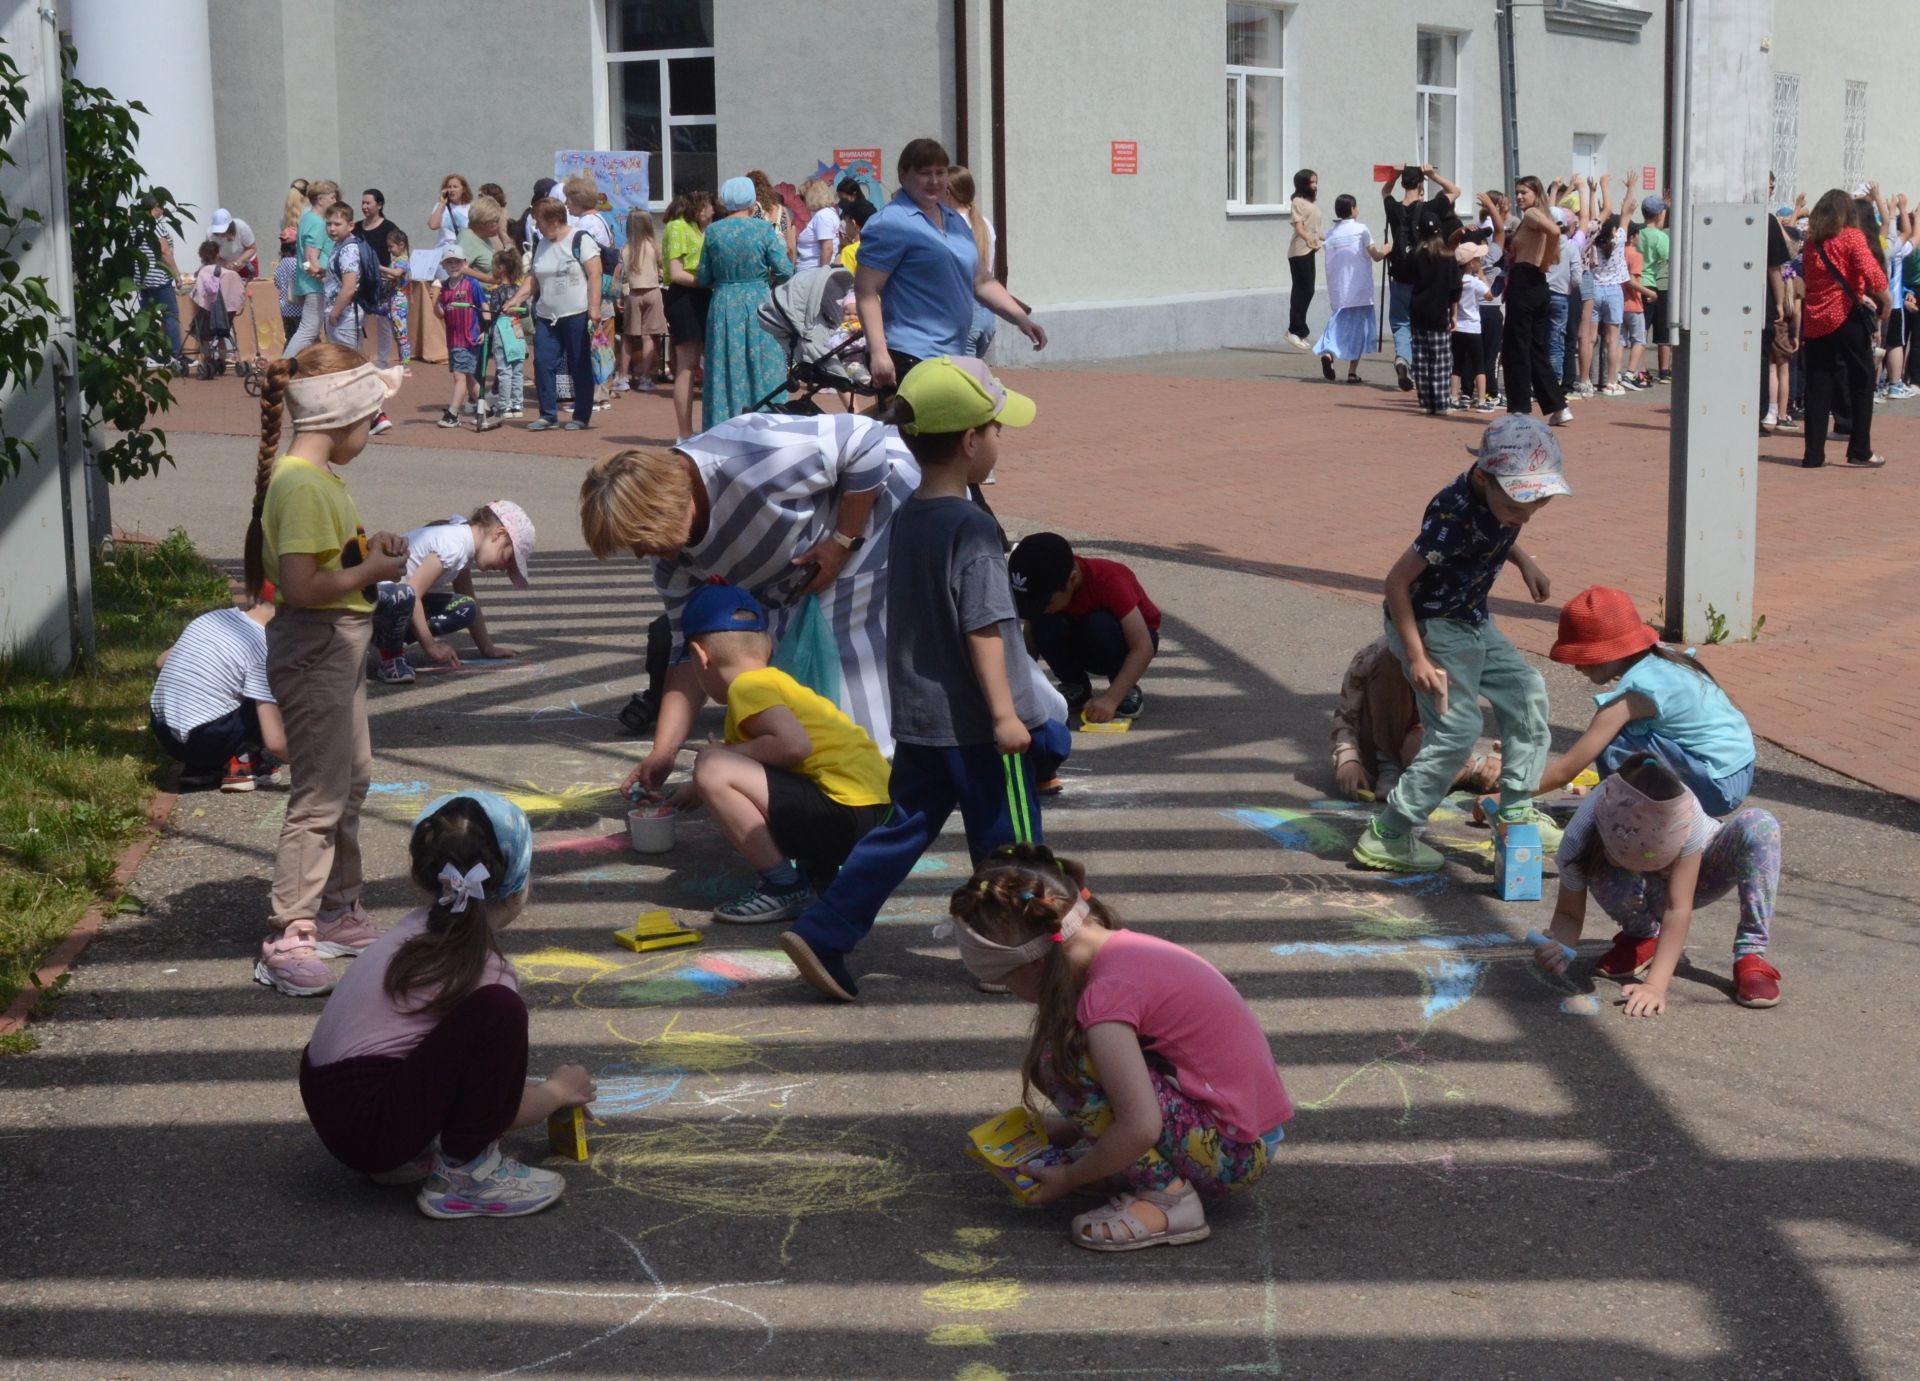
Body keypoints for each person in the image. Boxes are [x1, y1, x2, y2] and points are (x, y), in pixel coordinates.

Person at [778, 358, 1050, 1004]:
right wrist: (1006, 713)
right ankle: (1015, 955)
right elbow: (983, 625)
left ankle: (825, 928)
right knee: (1011, 840)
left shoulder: (911, 518)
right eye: (994, 428)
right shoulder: (973, 527)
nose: (998, 440)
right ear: (968, 442)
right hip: (978, 722)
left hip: (921, 717)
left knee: (902, 830)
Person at [947, 844, 1291, 1252]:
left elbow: (1141, 1125)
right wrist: (1076, 1130)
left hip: (1234, 1156)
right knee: (1080, 1056)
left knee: (1062, 1061)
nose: (1013, 994)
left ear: (1035, 964)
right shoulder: (1127, 950)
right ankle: (1130, 1166)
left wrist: (1072, 1178)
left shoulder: (1105, 999)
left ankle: (1169, 1201)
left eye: (1007, 982)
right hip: (1245, 1135)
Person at [299, 790, 599, 1217]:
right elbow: (498, 1109)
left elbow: (452, 1069)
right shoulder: (485, 972)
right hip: (369, 1126)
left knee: (475, 1022)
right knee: (500, 1011)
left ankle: (411, 1152)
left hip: (336, 1106)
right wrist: (555, 1092)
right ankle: (466, 1175)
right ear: (518, 890)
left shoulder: (415, 931)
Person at [579, 410, 919, 763]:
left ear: (661, 506)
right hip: (803, 574)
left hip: (881, 521)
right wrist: (663, 753)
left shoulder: (746, 459)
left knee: (843, 683)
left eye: (640, 541)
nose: (640, 554)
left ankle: (881, 780)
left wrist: (843, 540)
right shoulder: (671, 558)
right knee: (797, 696)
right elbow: (689, 648)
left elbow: (863, 438)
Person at [243, 344, 408, 997]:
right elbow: (303, 585)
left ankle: (338, 910)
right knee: (319, 794)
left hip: (337, 645)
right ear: (341, 418)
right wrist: (371, 571)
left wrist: (371, 551)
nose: (372, 432)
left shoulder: (312, 481)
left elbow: (326, 562)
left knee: (351, 778)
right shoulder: (303, 484)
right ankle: (291, 933)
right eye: (372, 419)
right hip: (316, 645)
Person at [1353, 414, 1568, 874]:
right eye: (1516, 509)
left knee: (1527, 692)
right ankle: (1389, 832)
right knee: (1457, 729)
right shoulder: (1451, 514)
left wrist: (1523, 558)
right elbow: (1395, 584)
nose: (1521, 517)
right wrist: (1416, 657)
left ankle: (1514, 808)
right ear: (1483, 476)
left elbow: (1493, 533)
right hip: (1430, 624)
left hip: (1470, 618)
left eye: (1532, 511)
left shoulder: (1498, 500)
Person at [674, 583, 893, 922]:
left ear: (701, 656)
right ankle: (820, 872)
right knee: (726, 763)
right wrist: (697, 789)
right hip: (876, 813)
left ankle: (783, 885)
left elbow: (793, 746)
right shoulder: (778, 682)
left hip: (846, 814)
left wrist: (718, 759)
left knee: (712, 763)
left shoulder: (748, 687)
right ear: (770, 646)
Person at [1531, 758, 1784, 1014]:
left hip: (1696, 875)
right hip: (1639, 886)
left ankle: (1751, 954)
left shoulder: (1685, 818)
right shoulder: (1579, 837)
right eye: (1625, 862)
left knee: (1760, 824)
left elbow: (1677, 907)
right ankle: (1644, 934)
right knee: (1595, 864)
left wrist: (1655, 986)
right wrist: (1560, 949)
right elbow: (1568, 914)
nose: (1636, 871)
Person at [1533, 587, 1756, 815]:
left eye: (1581, 656)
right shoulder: (1662, 657)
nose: (1576, 666)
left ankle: (1631, 817)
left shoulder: (1637, 692)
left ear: (1609, 651)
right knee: (1624, 733)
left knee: (1611, 740)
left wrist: (1506, 794)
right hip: (1737, 771)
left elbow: (1566, 770)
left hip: (1717, 787)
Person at [855, 138, 1047, 392]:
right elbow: (866, 291)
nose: (934, 181)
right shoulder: (890, 223)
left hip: (952, 355)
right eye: (924, 173)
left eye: (940, 172)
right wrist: (879, 353)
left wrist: (1021, 319)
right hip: (910, 353)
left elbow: (981, 281)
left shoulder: (953, 219)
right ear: (903, 175)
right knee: (920, 430)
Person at [370, 501, 535, 685]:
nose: (505, 569)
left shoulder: (464, 545)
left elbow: (468, 595)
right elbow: (413, 594)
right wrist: (431, 646)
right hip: (377, 597)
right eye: (509, 558)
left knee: (465, 608)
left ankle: (384, 637)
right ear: (499, 534)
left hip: (392, 604)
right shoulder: (454, 546)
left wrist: (488, 647)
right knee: (403, 596)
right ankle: (390, 656)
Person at [1008, 532, 1158, 723]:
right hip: (1080, 638)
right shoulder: (1049, 598)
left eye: (1047, 602)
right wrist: (1016, 691)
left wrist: (1111, 699)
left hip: (1125, 643)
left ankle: (1124, 689)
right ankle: (1075, 684)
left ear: (1072, 579)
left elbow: (1143, 647)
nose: (1042, 608)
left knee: (1099, 623)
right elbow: (1030, 643)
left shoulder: (1109, 580)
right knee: (1043, 621)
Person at [1330, 637, 1501, 801]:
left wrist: (1500, 754)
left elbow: (1511, 701)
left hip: (1424, 740)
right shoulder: (1376, 653)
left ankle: (1467, 767)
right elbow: (1346, 714)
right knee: (1389, 661)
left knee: (1424, 757)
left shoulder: (1457, 648)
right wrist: (1348, 759)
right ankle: (1389, 764)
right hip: (1376, 742)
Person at [150, 591, 287, 792]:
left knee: (222, 688)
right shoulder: (263, 648)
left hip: (164, 731)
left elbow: (161, 662)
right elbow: (275, 742)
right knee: (272, 692)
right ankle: (243, 762)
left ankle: (200, 768)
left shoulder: (214, 618)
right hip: (209, 737)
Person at [1800, 187, 1891, 469]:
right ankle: (1860, 449)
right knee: (1862, 380)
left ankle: (1813, 454)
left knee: (1818, 386)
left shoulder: (1813, 243)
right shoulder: (1852, 236)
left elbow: (1809, 279)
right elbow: (1872, 271)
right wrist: (1885, 301)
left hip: (1816, 317)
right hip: (1847, 315)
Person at [698, 175, 795, 427]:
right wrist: (766, 279)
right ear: (751, 200)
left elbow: (703, 275)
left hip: (723, 302)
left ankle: (724, 424)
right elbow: (785, 269)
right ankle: (768, 421)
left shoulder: (713, 231)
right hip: (758, 301)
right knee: (764, 362)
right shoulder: (763, 229)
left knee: (724, 364)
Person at [502, 199, 601, 432]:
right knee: (543, 362)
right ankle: (548, 415)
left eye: (539, 221)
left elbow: (595, 274)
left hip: (576, 312)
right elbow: (534, 278)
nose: (537, 226)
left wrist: (594, 308)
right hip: (547, 315)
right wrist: (514, 300)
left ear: (554, 220)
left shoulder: (580, 239)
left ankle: (581, 416)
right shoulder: (541, 244)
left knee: (579, 364)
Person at [1382, 163, 1463, 391]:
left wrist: (1394, 174)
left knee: (1400, 323)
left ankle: (1402, 359)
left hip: (1399, 275)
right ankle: (1420, 371)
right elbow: (1456, 191)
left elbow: (1385, 192)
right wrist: (1433, 174)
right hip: (1424, 277)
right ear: (1420, 185)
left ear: (1403, 183)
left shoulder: (1393, 208)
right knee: (1420, 326)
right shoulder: (1429, 208)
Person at [1501, 176, 1573, 424]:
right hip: (1537, 285)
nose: (1520, 196)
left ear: (1535, 194)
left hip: (1525, 281)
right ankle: (1558, 407)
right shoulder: (1534, 217)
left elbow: (1554, 232)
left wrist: (1543, 263)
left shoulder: (1532, 214)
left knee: (1516, 347)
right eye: (1517, 192)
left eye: (1524, 192)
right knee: (1534, 349)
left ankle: (1519, 409)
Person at [1314, 194, 1389, 382]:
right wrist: (1388, 248)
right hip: (1360, 289)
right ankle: (1352, 372)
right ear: (1353, 209)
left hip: (1339, 289)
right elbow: (1376, 255)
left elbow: (1325, 245)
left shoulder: (1332, 233)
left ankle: (1329, 353)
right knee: (1359, 330)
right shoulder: (1361, 230)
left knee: (1337, 324)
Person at [661, 191, 714, 441]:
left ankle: (708, 425)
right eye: (708, 206)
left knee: (707, 362)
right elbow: (676, 272)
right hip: (685, 297)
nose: (712, 210)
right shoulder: (677, 227)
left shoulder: (699, 228)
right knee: (687, 365)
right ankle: (684, 431)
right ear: (698, 207)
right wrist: (705, 282)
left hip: (702, 295)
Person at [945, 166, 1002, 359]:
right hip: (986, 311)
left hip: (963, 308)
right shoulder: (984, 222)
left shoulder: (949, 222)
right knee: (973, 375)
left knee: (962, 380)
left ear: (948, 192)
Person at [434, 248, 491, 430]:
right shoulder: (443, 287)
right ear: (443, 265)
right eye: (449, 262)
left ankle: (453, 413)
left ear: (464, 263)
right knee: (467, 377)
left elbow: (484, 305)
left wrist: (486, 329)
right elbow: (440, 313)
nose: (453, 266)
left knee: (459, 376)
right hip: (453, 338)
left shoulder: (471, 284)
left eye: (457, 262)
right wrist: (434, 302)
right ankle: (487, 409)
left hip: (469, 338)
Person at [1407, 232, 1460, 416]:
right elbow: (1455, 289)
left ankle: (1425, 401)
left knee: (1421, 359)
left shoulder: (1416, 255)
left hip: (1418, 312)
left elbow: (1405, 276)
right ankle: (1441, 402)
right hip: (1439, 313)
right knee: (1441, 360)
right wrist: (1454, 314)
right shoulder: (1447, 256)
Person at [284, 180, 337, 358]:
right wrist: (320, 276)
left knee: (311, 332)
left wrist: (309, 270)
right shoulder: (317, 222)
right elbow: (309, 257)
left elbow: (304, 258)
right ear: (321, 200)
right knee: (308, 330)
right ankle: (283, 367)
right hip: (316, 285)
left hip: (310, 282)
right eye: (332, 197)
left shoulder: (307, 218)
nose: (335, 200)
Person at [1588, 176, 1631, 395]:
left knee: (1590, 338)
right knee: (1612, 340)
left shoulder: (1591, 241)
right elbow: (1625, 215)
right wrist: (1630, 189)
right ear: (1614, 232)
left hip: (1594, 289)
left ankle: (1586, 380)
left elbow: (1600, 216)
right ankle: (1611, 382)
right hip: (1614, 290)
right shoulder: (1620, 241)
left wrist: (1594, 191)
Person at [618, 208, 666, 392]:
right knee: (649, 337)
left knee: (628, 337)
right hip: (653, 292)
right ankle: (646, 378)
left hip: (633, 293)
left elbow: (623, 276)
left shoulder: (626, 249)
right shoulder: (655, 246)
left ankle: (623, 377)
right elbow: (662, 268)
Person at [137, 197, 185, 365]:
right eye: (161, 207)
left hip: (142, 279)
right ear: (153, 208)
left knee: (147, 316)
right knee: (170, 314)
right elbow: (164, 252)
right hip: (159, 277)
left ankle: (150, 353)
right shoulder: (154, 226)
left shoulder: (135, 226)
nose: (163, 211)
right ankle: (175, 354)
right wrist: (177, 274)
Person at [1450, 244, 1492, 410]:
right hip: (1473, 328)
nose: (1479, 262)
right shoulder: (1475, 282)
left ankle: (1453, 397)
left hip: (1458, 326)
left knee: (1457, 365)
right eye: (1477, 259)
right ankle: (1481, 400)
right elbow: (1489, 296)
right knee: (1479, 366)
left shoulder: (1456, 281)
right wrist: (1483, 277)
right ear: (1470, 263)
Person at [322, 203, 368, 350]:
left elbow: (349, 288)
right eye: (329, 223)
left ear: (350, 226)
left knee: (348, 364)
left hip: (345, 317)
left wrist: (334, 314)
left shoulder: (348, 250)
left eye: (337, 224)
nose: (332, 228)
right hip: (340, 314)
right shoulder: (339, 245)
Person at [488, 247, 528, 418]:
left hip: (502, 327)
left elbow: (494, 312)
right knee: (517, 368)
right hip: (517, 326)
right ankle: (517, 404)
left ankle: (504, 404)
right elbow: (525, 310)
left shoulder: (497, 291)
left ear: (501, 268)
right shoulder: (519, 289)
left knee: (504, 368)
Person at [1636, 195, 1673, 382]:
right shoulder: (1661, 237)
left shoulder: (1638, 233)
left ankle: (1639, 369)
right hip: (1655, 283)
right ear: (1660, 213)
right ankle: (1664, 371)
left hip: (1637, 284)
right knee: (1662, 331)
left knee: (1641, 329)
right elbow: (1669, 258)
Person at [1286, 169, 1323, 349]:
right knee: (1302, 290)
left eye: (1316, 182)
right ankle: (1294, 330)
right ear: (1303, 184)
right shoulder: (1298, 202)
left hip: (1310, 250)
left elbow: (1314, 229)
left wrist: (1331, 237)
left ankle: (1299, 330)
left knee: (1308, 290)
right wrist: (1308, 238)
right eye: (1311, 182)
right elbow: (1299, 228)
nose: (1315, 185)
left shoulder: (1309, 202)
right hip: (1299, 251)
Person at [747, 168, 798, 264]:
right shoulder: (782, 210)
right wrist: (791, 265)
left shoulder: (752, 210)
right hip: (781, 264)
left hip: (761, 264)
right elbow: (790, 245)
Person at [793, 177, 842, 272]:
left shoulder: (822, 216)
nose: (802, 201)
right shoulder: (829, 213)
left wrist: (820, 275)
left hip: (812, 272)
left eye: (803, 197)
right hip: (811, 271)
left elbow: (827, 248)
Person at [428, 172, 473, 259]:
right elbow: (433, 225)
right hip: (444, 252)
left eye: (455, 187)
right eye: (449, 187)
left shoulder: (470, 208)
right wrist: (442, 203)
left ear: (463, 189)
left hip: (464, 252)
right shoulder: (440, 206)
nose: (452, 190)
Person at [209, 208, 258, 279]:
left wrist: (240, 260)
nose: (221, 235)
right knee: (227, 287)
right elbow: (213, 256)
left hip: (246, 263)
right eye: (218, 232)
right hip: (225, 267)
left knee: (251, 287)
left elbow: (252, 248)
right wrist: (225, 264)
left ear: (230, 226)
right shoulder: (210, 235)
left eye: (223, 231)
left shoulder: (242, 227)